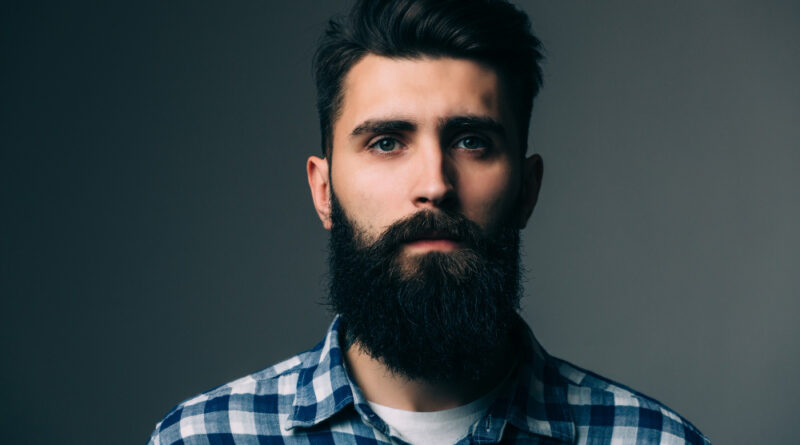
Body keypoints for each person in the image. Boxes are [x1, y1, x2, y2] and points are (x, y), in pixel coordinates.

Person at [148, 0, 710, 443]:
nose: (435, 184)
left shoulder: (654, 441)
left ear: (527, 189)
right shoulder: (204, 438)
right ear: (323, 190)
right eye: (387, 142)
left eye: (472, 141)